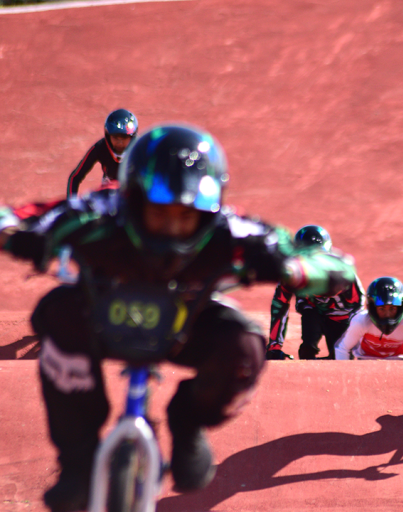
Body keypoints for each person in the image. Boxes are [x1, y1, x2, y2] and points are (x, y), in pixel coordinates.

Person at [0, 123, 356, 512]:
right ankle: (78, 460)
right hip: (100, 316)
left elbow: (326, 260)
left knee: (245, 347)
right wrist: (17, 234)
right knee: (58, 312)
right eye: (159, 212)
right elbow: (17, 214)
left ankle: (188, 422)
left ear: (211, 209)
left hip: (186, 325)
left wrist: (302, 270)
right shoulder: (98, 211)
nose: (171, 228)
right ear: (131, 199)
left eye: (186, 216)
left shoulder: (232, 230)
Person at [267, 224, 365, 360]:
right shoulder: (293, 274)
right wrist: (274, 348)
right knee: (308, 341)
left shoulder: (344, 275)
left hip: (341, 320)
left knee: (340, 358)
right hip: (312, 312)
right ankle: (308, 350)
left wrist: (348, 347)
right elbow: (280, 305)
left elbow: (358, 314)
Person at [335, 277, 403, 362]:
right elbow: (342, 349)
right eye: (382, 308)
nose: (387, 314)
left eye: (392, 308)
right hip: (366, 364)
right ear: (372, 307)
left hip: (402, 365)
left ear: (401, 306)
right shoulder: (360, 322)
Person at [66, 108, 138, 197]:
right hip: (109, 195)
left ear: (132, 138)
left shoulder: (141, 150)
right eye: (115, 137)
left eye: (124, 137)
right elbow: (75, 177)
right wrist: (72, 204)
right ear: (108, 136)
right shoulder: (100, 147)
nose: (120, 142)